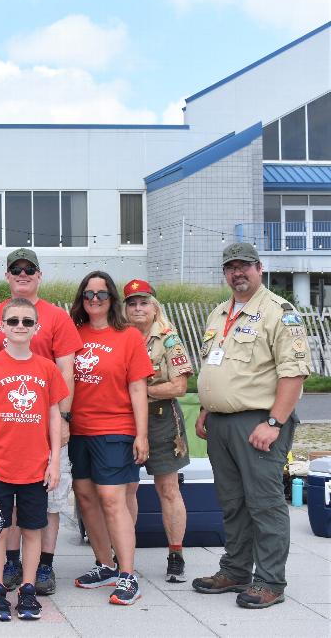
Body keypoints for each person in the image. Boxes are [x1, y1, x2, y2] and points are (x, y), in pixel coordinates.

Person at [192, 243, 311, 609]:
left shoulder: (279, 312)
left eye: (244, 265)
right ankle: (236, 570)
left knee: (264, 504)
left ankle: (270, 581)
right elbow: (217, 365)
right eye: (230, 267)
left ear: (259, 268)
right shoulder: (219, 312)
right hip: (221, 424)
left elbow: (294, 372)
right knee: (232, 503)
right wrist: (206, 408)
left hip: (259, 423)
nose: (237, 272)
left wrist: (274, 422)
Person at [0, 248, 80, 594]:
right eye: (16, 269)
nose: (23, 274)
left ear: (39, 275)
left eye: (29, 269)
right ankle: (10, 562)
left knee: (47, 501)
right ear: (7, 275)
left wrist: (63, 419)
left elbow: (66, 371)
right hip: (5, 430)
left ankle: (43, 566)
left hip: (45, 422)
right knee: (7, 504)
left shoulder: (57, 317)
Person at [0, 297, 66, 621]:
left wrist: (54, 461)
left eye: (27, 321)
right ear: (2, 327)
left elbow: (54, 417)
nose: (20, 326)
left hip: (35, 467)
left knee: (32, 529)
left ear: (36, 327)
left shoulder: (47, 368)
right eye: (13, 321)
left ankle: (27, 587)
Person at [68, 271, 153, 606]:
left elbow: (138, 388)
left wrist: (141, 434)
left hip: (116, 428)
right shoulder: (73, 334)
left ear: (112, 299)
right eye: (88, 294)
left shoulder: (128, 336)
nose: (94, 300)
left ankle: (128, 574)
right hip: (79, 430)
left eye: (101, 295)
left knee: (111, 499)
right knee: (86, 498)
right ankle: (104, 565)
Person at [122, 278, 193, 583]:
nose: (138, 308)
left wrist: (140, 393)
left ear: (154, 307)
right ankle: (123, 554)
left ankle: (176, 554)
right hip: (124, 420)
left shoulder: (168, 338)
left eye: (144, 302)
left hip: (160, 419)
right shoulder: (118, 335)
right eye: (132, 303)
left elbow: (179, 386)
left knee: (168, 489)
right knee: (127, 488)